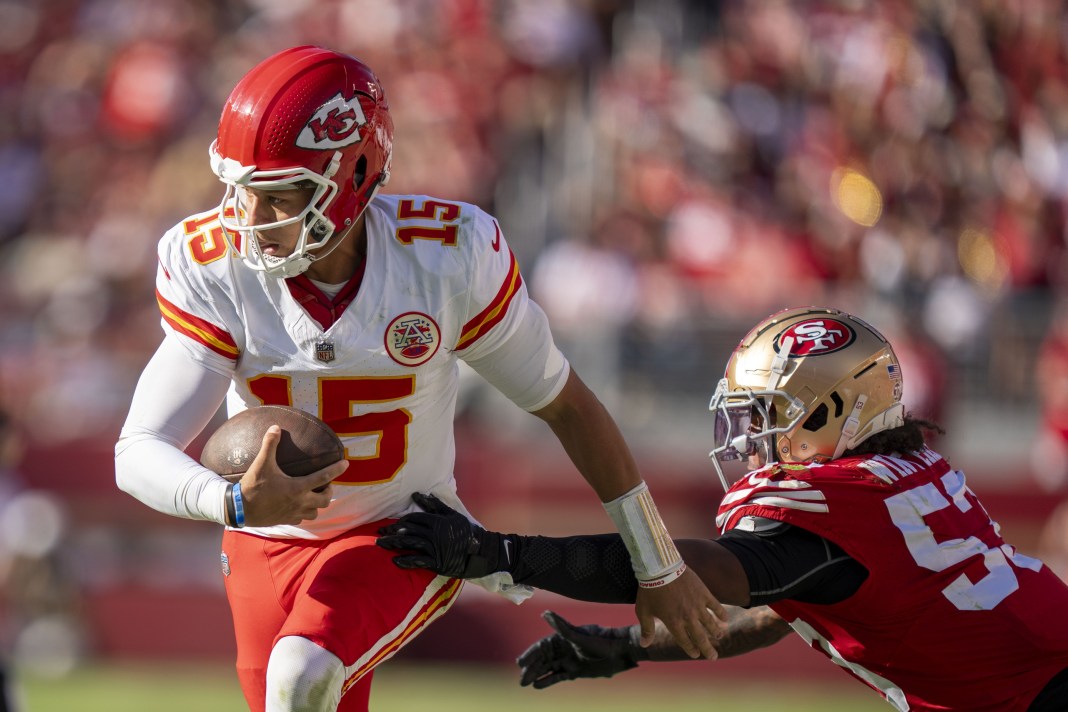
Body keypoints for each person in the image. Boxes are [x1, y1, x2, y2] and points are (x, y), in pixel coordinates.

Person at [113, 45, 721, 712]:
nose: (250, 222)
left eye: (278, 197)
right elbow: (139, 448)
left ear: (356, 174)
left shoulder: (445, 261)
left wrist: (658, 565)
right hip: (263, 542)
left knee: (299, 673)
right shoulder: (214, 265)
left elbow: (566, 406)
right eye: (241, 192)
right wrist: (229, 503)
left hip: (402, 534)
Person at [377, 306, 1068, 712]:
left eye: (769, 413)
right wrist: (627, 648)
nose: (750, 433)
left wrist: (497, 554)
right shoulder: (905, 471)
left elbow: (679, 572)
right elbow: (775, 613)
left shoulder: (840, 507)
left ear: (834, 410)